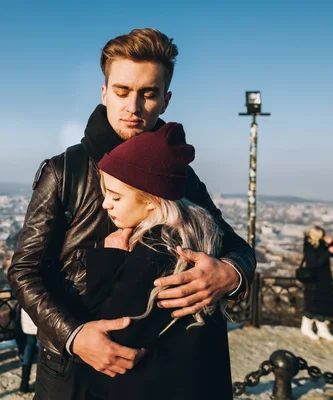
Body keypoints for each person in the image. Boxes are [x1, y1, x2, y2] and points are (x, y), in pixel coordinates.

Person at [8, 28, 256, 399]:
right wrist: (74, 336)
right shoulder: (67, 170)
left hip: (159, 367)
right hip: (74, 369)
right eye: (122, 91)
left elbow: (234, 243)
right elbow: (24, 269)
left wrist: (230, 273)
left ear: (166, 100)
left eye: (148, 94)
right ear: (104, 92)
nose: (134, 107)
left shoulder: (179, 175)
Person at [79, 122, 232, 399]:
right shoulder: (199, 237)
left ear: (151, 200)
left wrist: (107, 257)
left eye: (115, 197)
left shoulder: (155, 252)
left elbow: (112, 333)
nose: (105, 204)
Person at [300, 226, 333, 341]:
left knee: (322, 304)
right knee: (312, 304)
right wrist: (328, 252)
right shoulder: (309, 246)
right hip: (313, 281)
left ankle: (322, 329)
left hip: (324, 280)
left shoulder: (322, 244)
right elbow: (314, 263)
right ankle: (307, 327)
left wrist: (332, 244)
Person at [15, 308, 38, 393]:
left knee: (29, 345)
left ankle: (24, 383)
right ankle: (42, 384)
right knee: (45, 347)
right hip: (45, 313)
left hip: (28, 311)